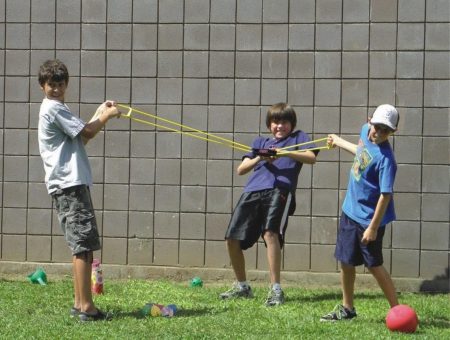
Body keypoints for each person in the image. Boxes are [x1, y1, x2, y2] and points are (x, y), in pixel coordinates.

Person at [37, 59, 120, 322]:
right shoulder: (53, 109)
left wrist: (98, 113)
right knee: (84, 246)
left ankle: (79, 303)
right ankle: (87, 307)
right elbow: (88, 132)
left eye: (60, 84)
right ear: (43, 86)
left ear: (66, 85)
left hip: (67, 184)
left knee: (80, 247)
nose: (56, 89)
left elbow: (81, 136)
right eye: (51, 85)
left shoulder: (58, 108)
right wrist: (106, 116)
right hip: (69, 184)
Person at [220, 103, 319, 306]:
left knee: (270, 233)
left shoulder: (298, 138)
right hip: (252, 191)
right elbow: (241, 169)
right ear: (269, 124)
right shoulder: (260, 142)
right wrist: (259, 157)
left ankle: (276, 290)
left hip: (280, 190)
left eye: (284, 122)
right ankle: (242, 287)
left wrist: (283, 153)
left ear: (292, 124)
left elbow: (311, 158)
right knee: (232, 238)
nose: (280, 126)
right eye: (275, 122)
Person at [320, 104, 400, 321]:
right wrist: (338, 141)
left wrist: (373, 227)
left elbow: (386, 195)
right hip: (350, 211)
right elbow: (363, 153)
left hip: (369, 220)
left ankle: (398, 311)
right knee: (345, 261)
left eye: (386, 130)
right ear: (369, 120)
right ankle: (347, 308)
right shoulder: (365, 131)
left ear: (393, 132)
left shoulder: (387, 160)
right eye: (377, 127)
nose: (379, 133)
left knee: (374, 265)